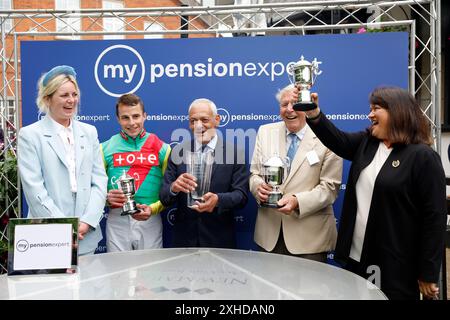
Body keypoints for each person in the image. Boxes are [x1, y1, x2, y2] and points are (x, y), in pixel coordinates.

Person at [304, 86, 447, 300]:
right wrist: (314, 114)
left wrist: (427, 272)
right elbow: (338, 140)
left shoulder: (423, 157)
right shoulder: (367, 143)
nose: (370, 114)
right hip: (357, 259)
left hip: (396, 267)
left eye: (376, 108)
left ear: (397, 112)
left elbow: (434, 219)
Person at [17, 65, 108, 255]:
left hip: (86, 236)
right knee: (52, 285)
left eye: (74, 94)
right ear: (47, 98)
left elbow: (99, 180)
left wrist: (87, 222)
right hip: (46, 237)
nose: (71, 101)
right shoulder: (30, 135)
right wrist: (63, 228)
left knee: (86, 285)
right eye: (64, 95)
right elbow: (34, 189)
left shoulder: (89, 132)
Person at [250, 84, 343, 262]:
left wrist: (297, 201)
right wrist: (258, 188)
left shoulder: (328, 135)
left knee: (309, 290)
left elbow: (330, 188)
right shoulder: (265, 132)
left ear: (307, 107)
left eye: (295, 104)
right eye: (284, 104)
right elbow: (255, 174)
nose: (289, 110)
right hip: (269, 236)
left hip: (310, 240)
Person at [159, 98, 249, 248]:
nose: (198, 125)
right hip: (184, 242)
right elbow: (163, 197)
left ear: (217, 120)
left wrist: (218, 200)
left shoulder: (235, 154)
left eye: (204, 120)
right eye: (193, 120)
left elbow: (242, 197)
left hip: (220, 242)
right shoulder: (177, 152)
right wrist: (174, 187)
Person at [101, 93, 171, 252]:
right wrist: (106, 199)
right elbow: (93, 190)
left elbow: (169, 192)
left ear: (145, 116)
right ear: (118, 119)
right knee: (118, 272)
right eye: (125, 117)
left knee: (151, 272)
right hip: (117, 218)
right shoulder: (104, 149)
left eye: (136, 116)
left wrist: (153, 209)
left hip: (150, 219)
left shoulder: (163, 149)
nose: (132, 123)